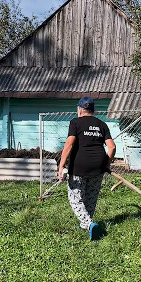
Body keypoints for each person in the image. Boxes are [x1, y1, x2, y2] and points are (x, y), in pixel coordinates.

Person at [58, 96, 116, 241]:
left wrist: (61, 165)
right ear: (92, 110)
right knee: (91, 197)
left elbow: (69, 145)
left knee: (75, 198)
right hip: (98, 165)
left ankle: (89, 224)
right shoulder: (102, 124)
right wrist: (106, 163)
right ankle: (86, 225)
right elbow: (112, 147)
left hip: (79, 166)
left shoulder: (75, 122)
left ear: (80, 109)